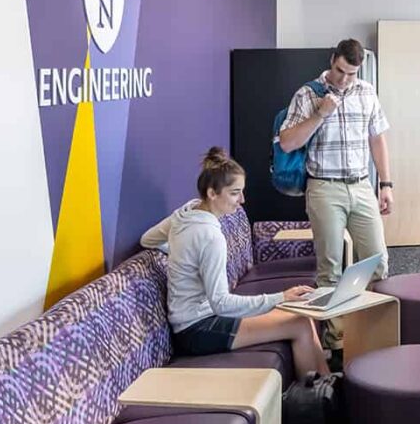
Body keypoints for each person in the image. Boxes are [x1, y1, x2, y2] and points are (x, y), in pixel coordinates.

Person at [140, 147, 330, 377]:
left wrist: (182, 256)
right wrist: (281, 297)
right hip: (198, 330)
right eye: (234, 193)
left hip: (200, 320)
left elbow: (148, 239)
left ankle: (326, 387)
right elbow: (221, 303)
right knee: (299, 323)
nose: (242, 200)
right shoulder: (210, 236)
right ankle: (317, 403)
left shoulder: (186, 212)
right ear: (212, 193)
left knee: (302, 318)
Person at [277, 38, 392, 351]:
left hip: (362, 185)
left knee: (377, 262)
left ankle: (370, 333)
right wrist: (320, 114)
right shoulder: (307, 94)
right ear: (332, 60)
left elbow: (377, 139)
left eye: (351, 73)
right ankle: (337, 344)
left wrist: (386, 183)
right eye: (340, 70)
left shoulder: (367, 92)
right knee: (330, 270)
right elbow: (287, 143)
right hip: (324, 187)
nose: (344, 79)